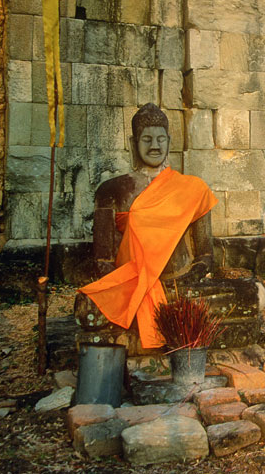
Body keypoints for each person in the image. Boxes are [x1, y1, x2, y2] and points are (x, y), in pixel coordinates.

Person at [78, 103, 217, 350]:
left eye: (160, 139)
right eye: (147, 139)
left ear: (169, 141)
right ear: (134, 143)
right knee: (85, 308)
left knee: (252, 294)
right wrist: (132, 286)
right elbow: (103, 259)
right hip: (132, 283)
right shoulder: (113, 190)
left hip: (180, 284)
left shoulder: (194, 188)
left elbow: (205, 255)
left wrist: (191, 277)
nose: (155, 146)